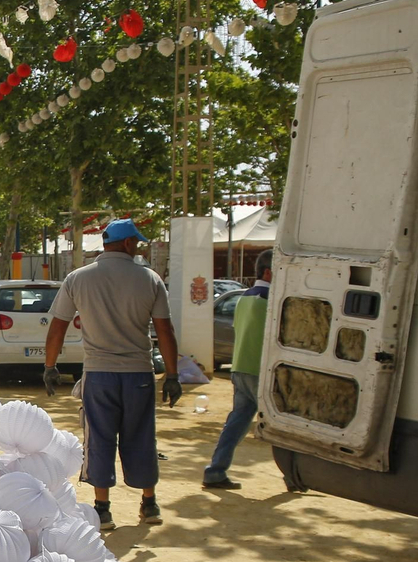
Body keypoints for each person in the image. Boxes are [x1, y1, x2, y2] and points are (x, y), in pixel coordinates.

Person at [43, 219, 181, 530]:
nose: (139, 248)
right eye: (138, 243)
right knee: (142, 436)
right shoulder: (150, 279)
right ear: (129, 243)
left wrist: (50, 366)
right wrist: (172, 374)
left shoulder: (78, 279)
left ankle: (103, 509)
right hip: (139, 374)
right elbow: (165, 331)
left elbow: (58, 326)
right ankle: (150, 503)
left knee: (100, 439)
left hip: (99, 374)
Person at [203, 250, 272, 489]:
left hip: (240, 365)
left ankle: (216, 470)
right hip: (258, 369)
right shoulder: (268, 300)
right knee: (279, 422)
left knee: (237, 421)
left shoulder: (245, 297)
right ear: (268, 272)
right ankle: (294, 474)